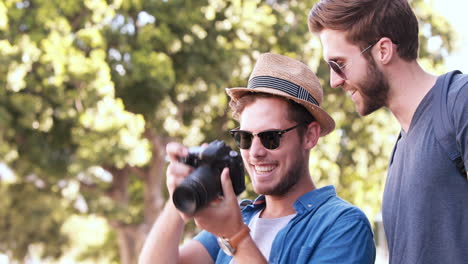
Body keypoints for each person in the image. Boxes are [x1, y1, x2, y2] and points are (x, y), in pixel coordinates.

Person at [138, 52, 376, 263]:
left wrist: (236, 236)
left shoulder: (342, 225)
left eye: (271, 137)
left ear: (310, 136)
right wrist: (180, 198)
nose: (255, 152)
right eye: (245, 138)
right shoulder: (239, 216)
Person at [308, 0, 468, 263]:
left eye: (339, 64)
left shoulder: (459, 102)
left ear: (383, 50)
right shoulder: (400, 149)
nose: (334, 81)